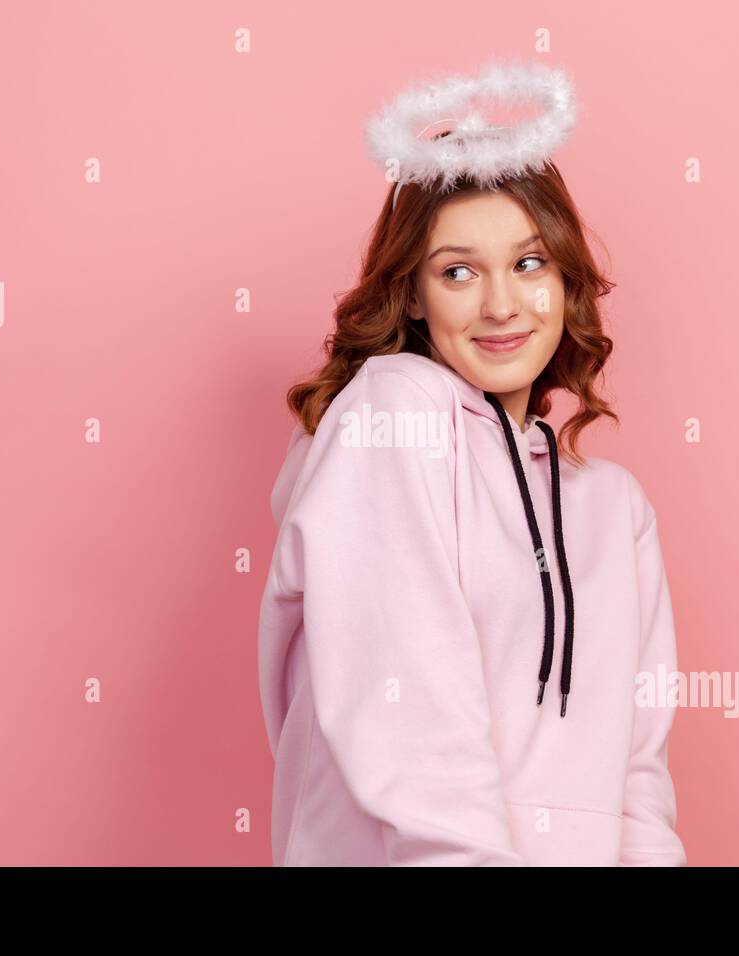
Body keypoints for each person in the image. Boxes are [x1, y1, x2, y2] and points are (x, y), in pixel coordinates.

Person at [257, 59, 686, 866]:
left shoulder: (614, 508)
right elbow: (406, 700)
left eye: (528, 264)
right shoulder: (392, 416)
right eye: (458, 271)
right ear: (413, 295)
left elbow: (638, 773)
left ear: (564, 278)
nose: (500, 305)